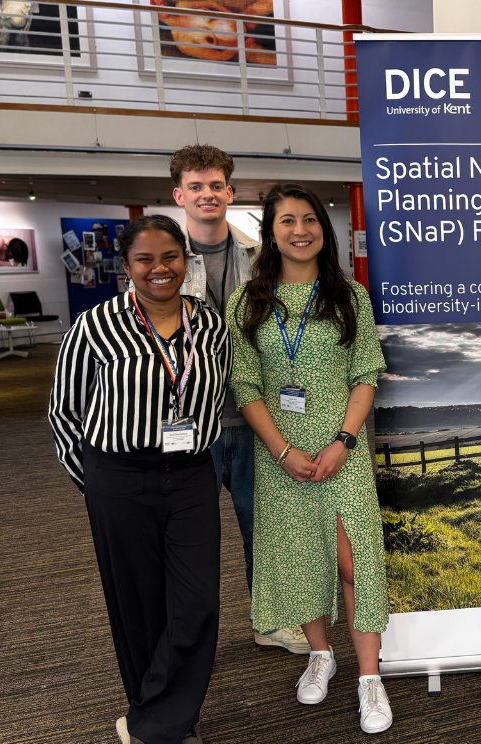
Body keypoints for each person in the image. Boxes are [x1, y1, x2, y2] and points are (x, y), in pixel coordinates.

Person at [48, 215, 232, 744]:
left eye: (171, 257)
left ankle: (149, 722)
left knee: (197, 603)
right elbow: (64, 412)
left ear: (186, 261)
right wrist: (98, 486)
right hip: (119, 477)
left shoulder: (211, 327)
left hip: (192, 475)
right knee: (139, 606)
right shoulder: (95, 326)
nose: (160, 269)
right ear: (126, 268)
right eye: (146, 260)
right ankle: (175, 723)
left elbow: (214, 400)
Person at [227, 183, 392, 733]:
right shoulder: (246, 303)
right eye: (287, 221)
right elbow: (245, 384)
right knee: (301, 561)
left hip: (340, 452)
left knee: (353, 562)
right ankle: (321, 654)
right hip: (282, 457)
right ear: (270, 233)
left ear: (324, 228)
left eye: (310, 220)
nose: (300, 230)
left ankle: (370, 678)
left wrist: (343, 443)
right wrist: (282, 450)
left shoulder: (350, 296)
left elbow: (366, 374)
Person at [170, 143, 309, 655]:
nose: (207, 194)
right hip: (191, 421)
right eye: (196, 186)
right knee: (191, 538)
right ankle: (192, 636)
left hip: (259, 418)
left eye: (215, 186)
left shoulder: (263, 258)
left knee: (265, 528)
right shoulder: (164, 260)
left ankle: (270, 620)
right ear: (179, 194)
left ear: (229, 192)